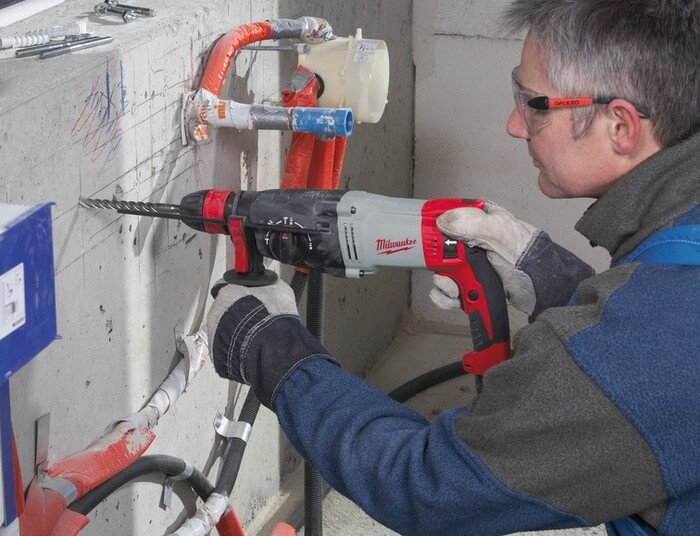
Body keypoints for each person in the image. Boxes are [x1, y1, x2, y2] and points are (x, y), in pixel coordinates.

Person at [207, 1, 700, 534]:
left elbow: (426, 487)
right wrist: (550, 276)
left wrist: (271, 348)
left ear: (621, 126)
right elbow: (646, 351)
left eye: (534, 105)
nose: (514, 125)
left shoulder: (644, 352)